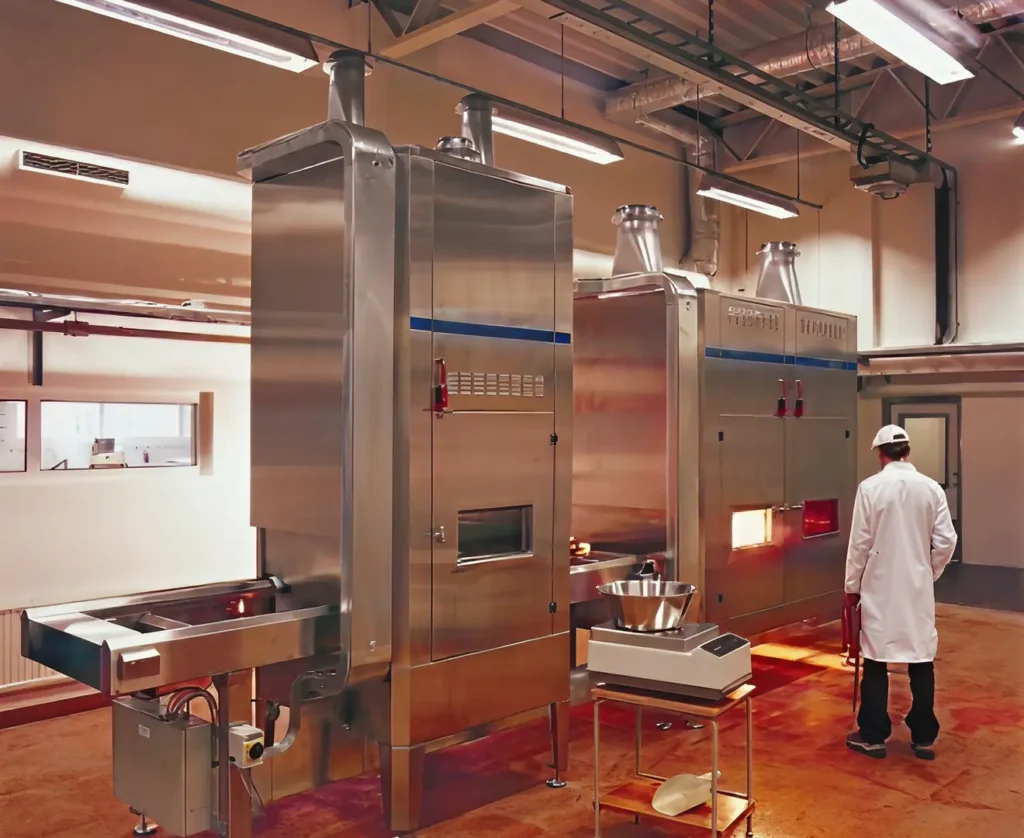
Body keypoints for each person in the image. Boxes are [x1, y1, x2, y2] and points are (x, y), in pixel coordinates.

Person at [844, 424, 958, 761]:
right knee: (920, 657)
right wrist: (928, 571)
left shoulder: (870, 488)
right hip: (916, 588)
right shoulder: (931, 488)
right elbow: (946, 540)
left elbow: (860, 543)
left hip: (879, 585)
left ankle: (873, 735)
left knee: (876, 658)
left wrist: (851, 586)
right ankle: (923, 736)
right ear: (907, 451)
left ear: (880, 454)